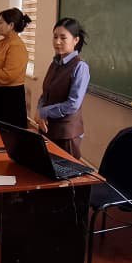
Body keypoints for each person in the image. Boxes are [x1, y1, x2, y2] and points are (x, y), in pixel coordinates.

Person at [34, 18, 90, 158]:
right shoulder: (55, 63)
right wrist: (39, 111)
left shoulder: (80, 67)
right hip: (47, 129)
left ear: (76, 40)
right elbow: (45, 93)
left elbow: (72, 105)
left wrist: (44, 112)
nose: (57, 42)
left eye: (63, 38)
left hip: (66, 134)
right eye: (55, 37)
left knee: (65, 169)